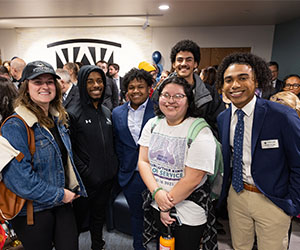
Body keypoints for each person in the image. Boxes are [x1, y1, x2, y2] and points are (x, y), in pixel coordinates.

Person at [216, 52, 300, 250]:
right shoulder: (223, 118)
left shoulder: (281, 115)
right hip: (237, 196)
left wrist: (292, 204)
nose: (235, 85)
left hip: (272, 200)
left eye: (242, 78)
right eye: (229, 80)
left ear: (257, 81)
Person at [0, 60, 87, 250]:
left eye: (49, 81)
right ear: (26, 87)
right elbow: (20, 181)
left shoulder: (57, 119)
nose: (45, 86)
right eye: (37, 82)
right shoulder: (14, 125)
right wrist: (60, 194)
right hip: (33, 211)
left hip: (62, 204)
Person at [138, 76, 217, 250]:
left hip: (188, 210)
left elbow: (192, 179)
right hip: (157, 202)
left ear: (189, 101)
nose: (170, 100)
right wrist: (158, 194)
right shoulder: (152, 124)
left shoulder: (200, 130)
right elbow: (143, 162)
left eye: (178, 96)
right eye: (166, 95)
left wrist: (165, 206)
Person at [69, 65, 118, 250]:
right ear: (82, 84)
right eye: (90, 81)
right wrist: (87, 172)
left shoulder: (107, 112)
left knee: (99, 219)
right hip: (85, 183)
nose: (96, 85)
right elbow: (70, 150)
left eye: (99, 81)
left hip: (106, 181)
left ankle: (98, 245)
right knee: (77, 223)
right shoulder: (73, 113)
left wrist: (112, 168)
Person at [112, 68, 155, 250]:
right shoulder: (117, 113)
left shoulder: (160, 110)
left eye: (140, 87)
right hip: (131, 175)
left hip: (156, 174)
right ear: (126, 90)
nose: (136, 91)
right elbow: (117, 143)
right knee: (136, 215)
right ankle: (139, 246)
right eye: (131, 87)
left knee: (161, 215)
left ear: (149, 89)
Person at [152, 39, 225, 137]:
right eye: (180, 60)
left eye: (189, 60)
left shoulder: (209, 93)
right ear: (173, 64)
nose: (184, 64)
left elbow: (218, 124)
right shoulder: (161, 91)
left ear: (195, 64)